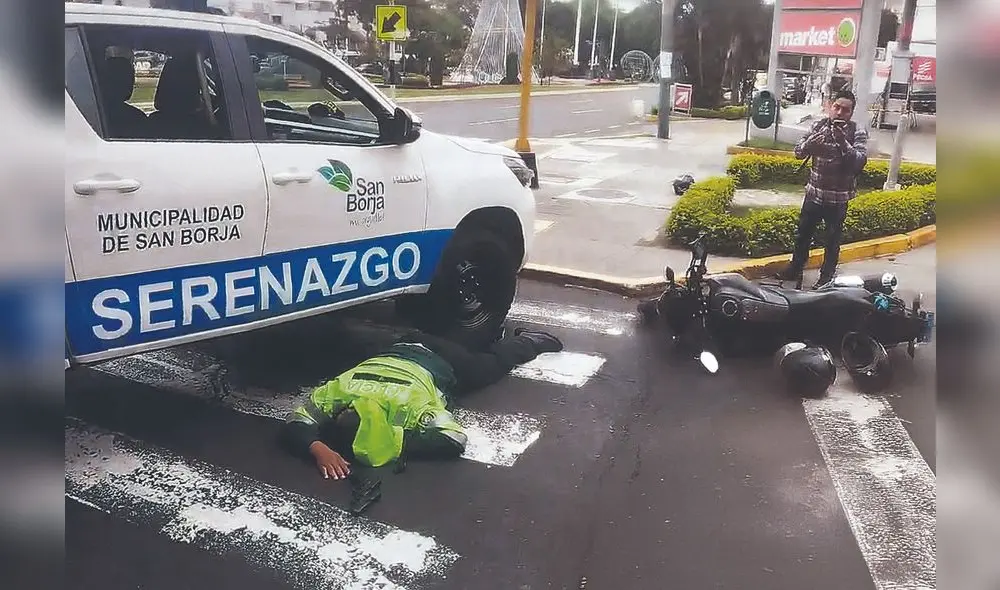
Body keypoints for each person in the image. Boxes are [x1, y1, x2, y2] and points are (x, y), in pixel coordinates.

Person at [279, 327, 564, 480]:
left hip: (440, 359)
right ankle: (487, 331)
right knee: (466, 340)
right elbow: (297, 421)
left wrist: (394, 442)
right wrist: (319, 448)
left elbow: (453, 440)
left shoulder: (410, 406)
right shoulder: (341, 391)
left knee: (488, 367)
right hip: (394, 345)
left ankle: (529, 340)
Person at [778, 89, 869, 289]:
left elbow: (860, 161)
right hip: (814, 194)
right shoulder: (818, 125)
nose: (839, 112)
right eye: (836, 107)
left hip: (838, 199)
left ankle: (826, 276)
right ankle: (795, 267)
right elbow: (798, 152)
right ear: (830, 106)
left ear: (851, 113)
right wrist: (810, 145)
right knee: (803, 234)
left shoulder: (857, 131)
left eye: (845, 110)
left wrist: (842, 142)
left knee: (832, 240)